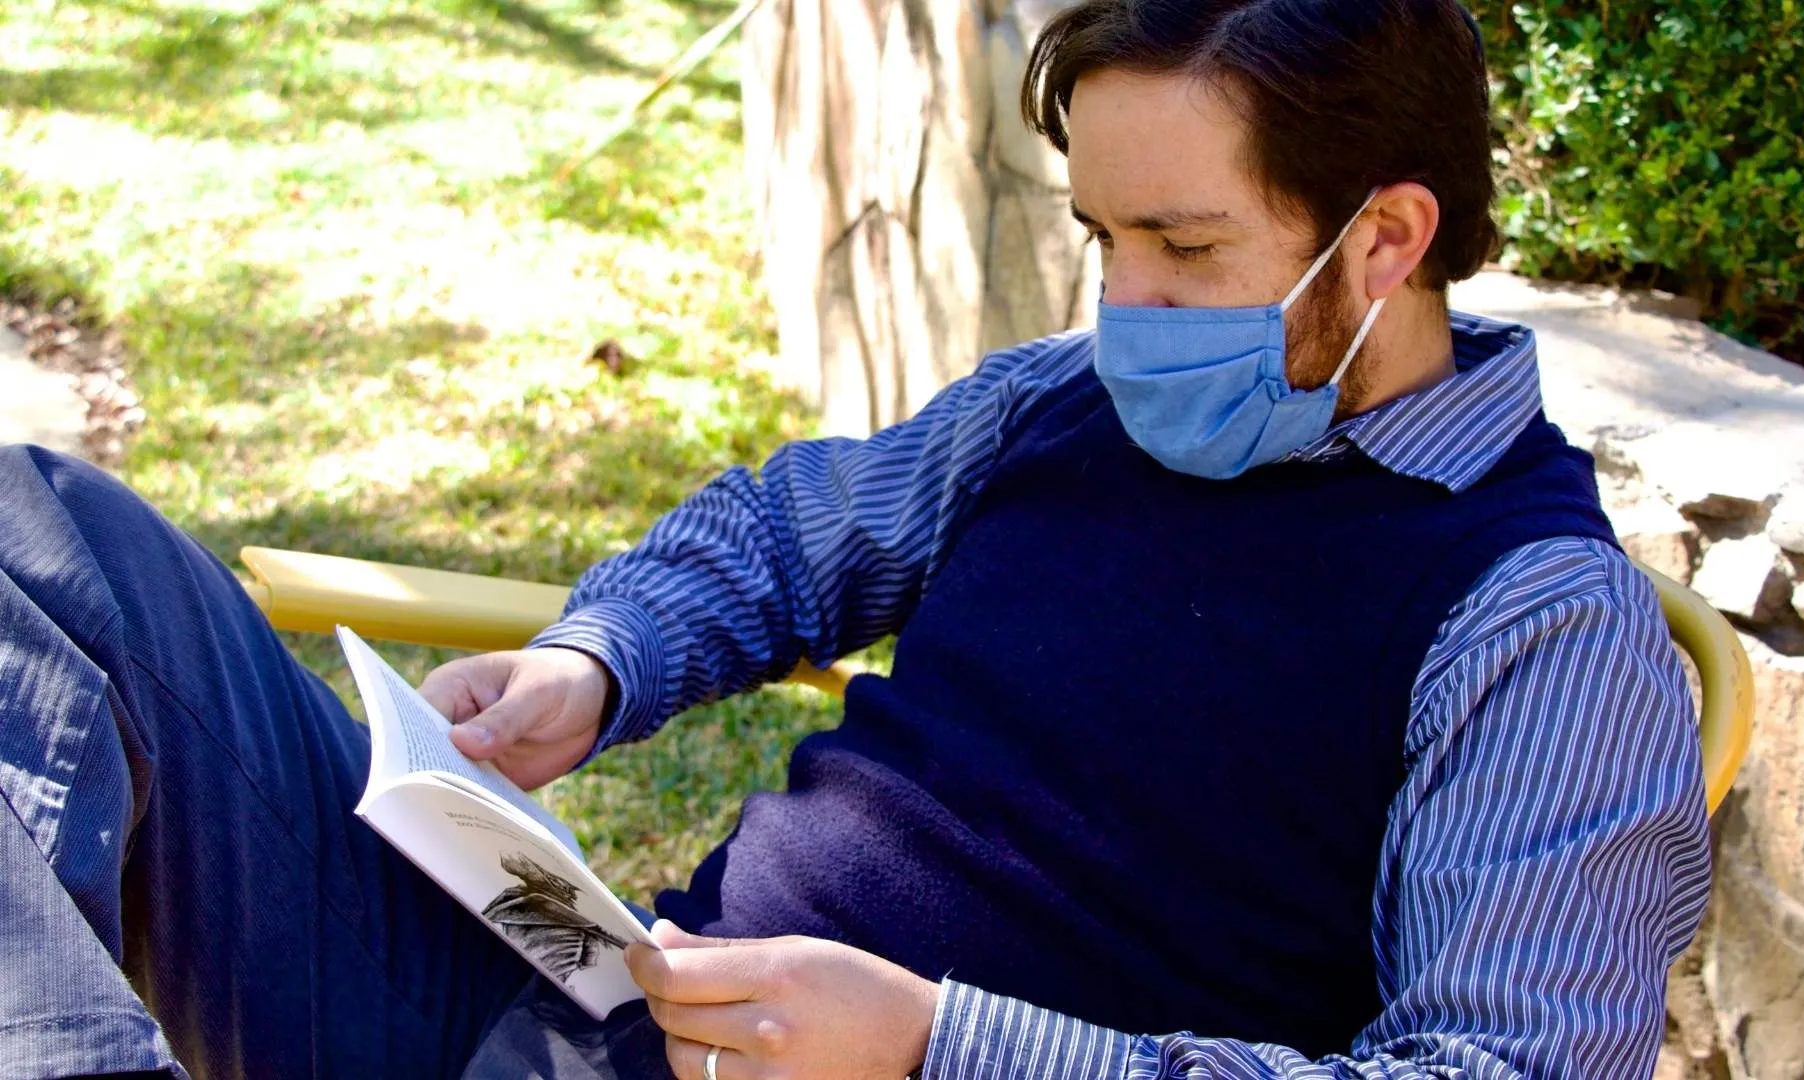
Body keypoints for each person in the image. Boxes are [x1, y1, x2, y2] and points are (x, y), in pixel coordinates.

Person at [0, 1, 1711, 1078]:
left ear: (1386, 239)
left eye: (1184, 247)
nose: (1126, 308)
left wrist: (935, 1048)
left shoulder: (1539, 628)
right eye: (1101, 236)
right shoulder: (1058, 402)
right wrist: (598, 664)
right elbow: (784, 535)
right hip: (561, 994)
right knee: (30, 532)